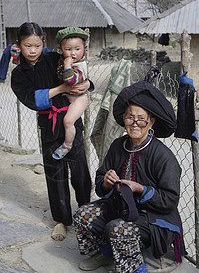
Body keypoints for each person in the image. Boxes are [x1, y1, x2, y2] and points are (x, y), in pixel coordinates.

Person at [73, 81, 186, 273]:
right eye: (129, 117)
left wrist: (140, 189)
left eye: (141, 119)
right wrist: (107, 182)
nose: (135, 123)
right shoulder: (118, 145)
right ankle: (107, 251)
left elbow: (170, 200)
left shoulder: (163, 156)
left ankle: (136, 269)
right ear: (123, 119)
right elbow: (101, 175)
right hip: (120, 207)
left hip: (154, 217)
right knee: (83, 215)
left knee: (117, 228)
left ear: (151, 121)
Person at [11, 22, 93, 241]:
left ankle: (86, 211)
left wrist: (87, 85)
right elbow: (32, 99)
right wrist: (60, 89)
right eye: (27, 45)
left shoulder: (55, 59)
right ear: (19, 44)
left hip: (70, 120)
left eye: (37, 45)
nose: (33, 50)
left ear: (43, 43)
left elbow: (78, 70)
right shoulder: (18, 75)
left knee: (80, 169)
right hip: (48, 124)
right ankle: (62, 220)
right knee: (55, 173)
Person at [52, 27, 89, 160]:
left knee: (68, 121)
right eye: (68, 49)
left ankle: (67, 145)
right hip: (69, 98)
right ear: (60, 48)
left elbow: (70, 80)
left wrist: (67, 65)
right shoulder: (64, 60)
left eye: (77, 49)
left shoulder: (80, 65)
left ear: (84, 48)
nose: (73, 53)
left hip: (79, 99)